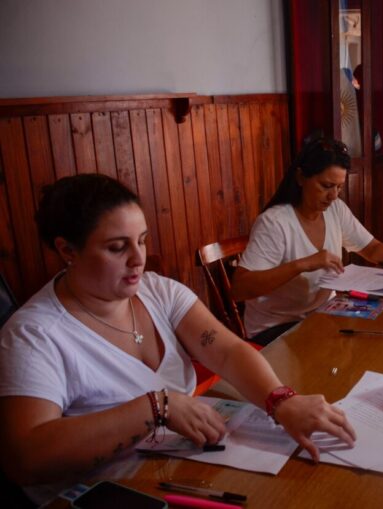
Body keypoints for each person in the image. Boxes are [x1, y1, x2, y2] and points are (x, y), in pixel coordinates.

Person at [0, 174, 356, 504]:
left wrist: (280, 400)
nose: (138, 259)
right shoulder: (34, 335)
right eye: (116, 248)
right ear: (67, 251)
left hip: (186, 471)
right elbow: (26, 458)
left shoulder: (158, 291)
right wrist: (154, 408)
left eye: (141, 240)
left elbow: (229, 351)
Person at [232, 137, 383, 345]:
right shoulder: (274, 223)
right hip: (276, 327)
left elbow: (372, 248)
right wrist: (302, 264)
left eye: (339, 187)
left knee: (378, 336)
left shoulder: (335, 210)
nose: (333, 196)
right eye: (326, 186)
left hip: (322, 315)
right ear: (301, 177)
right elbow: (240, 288)